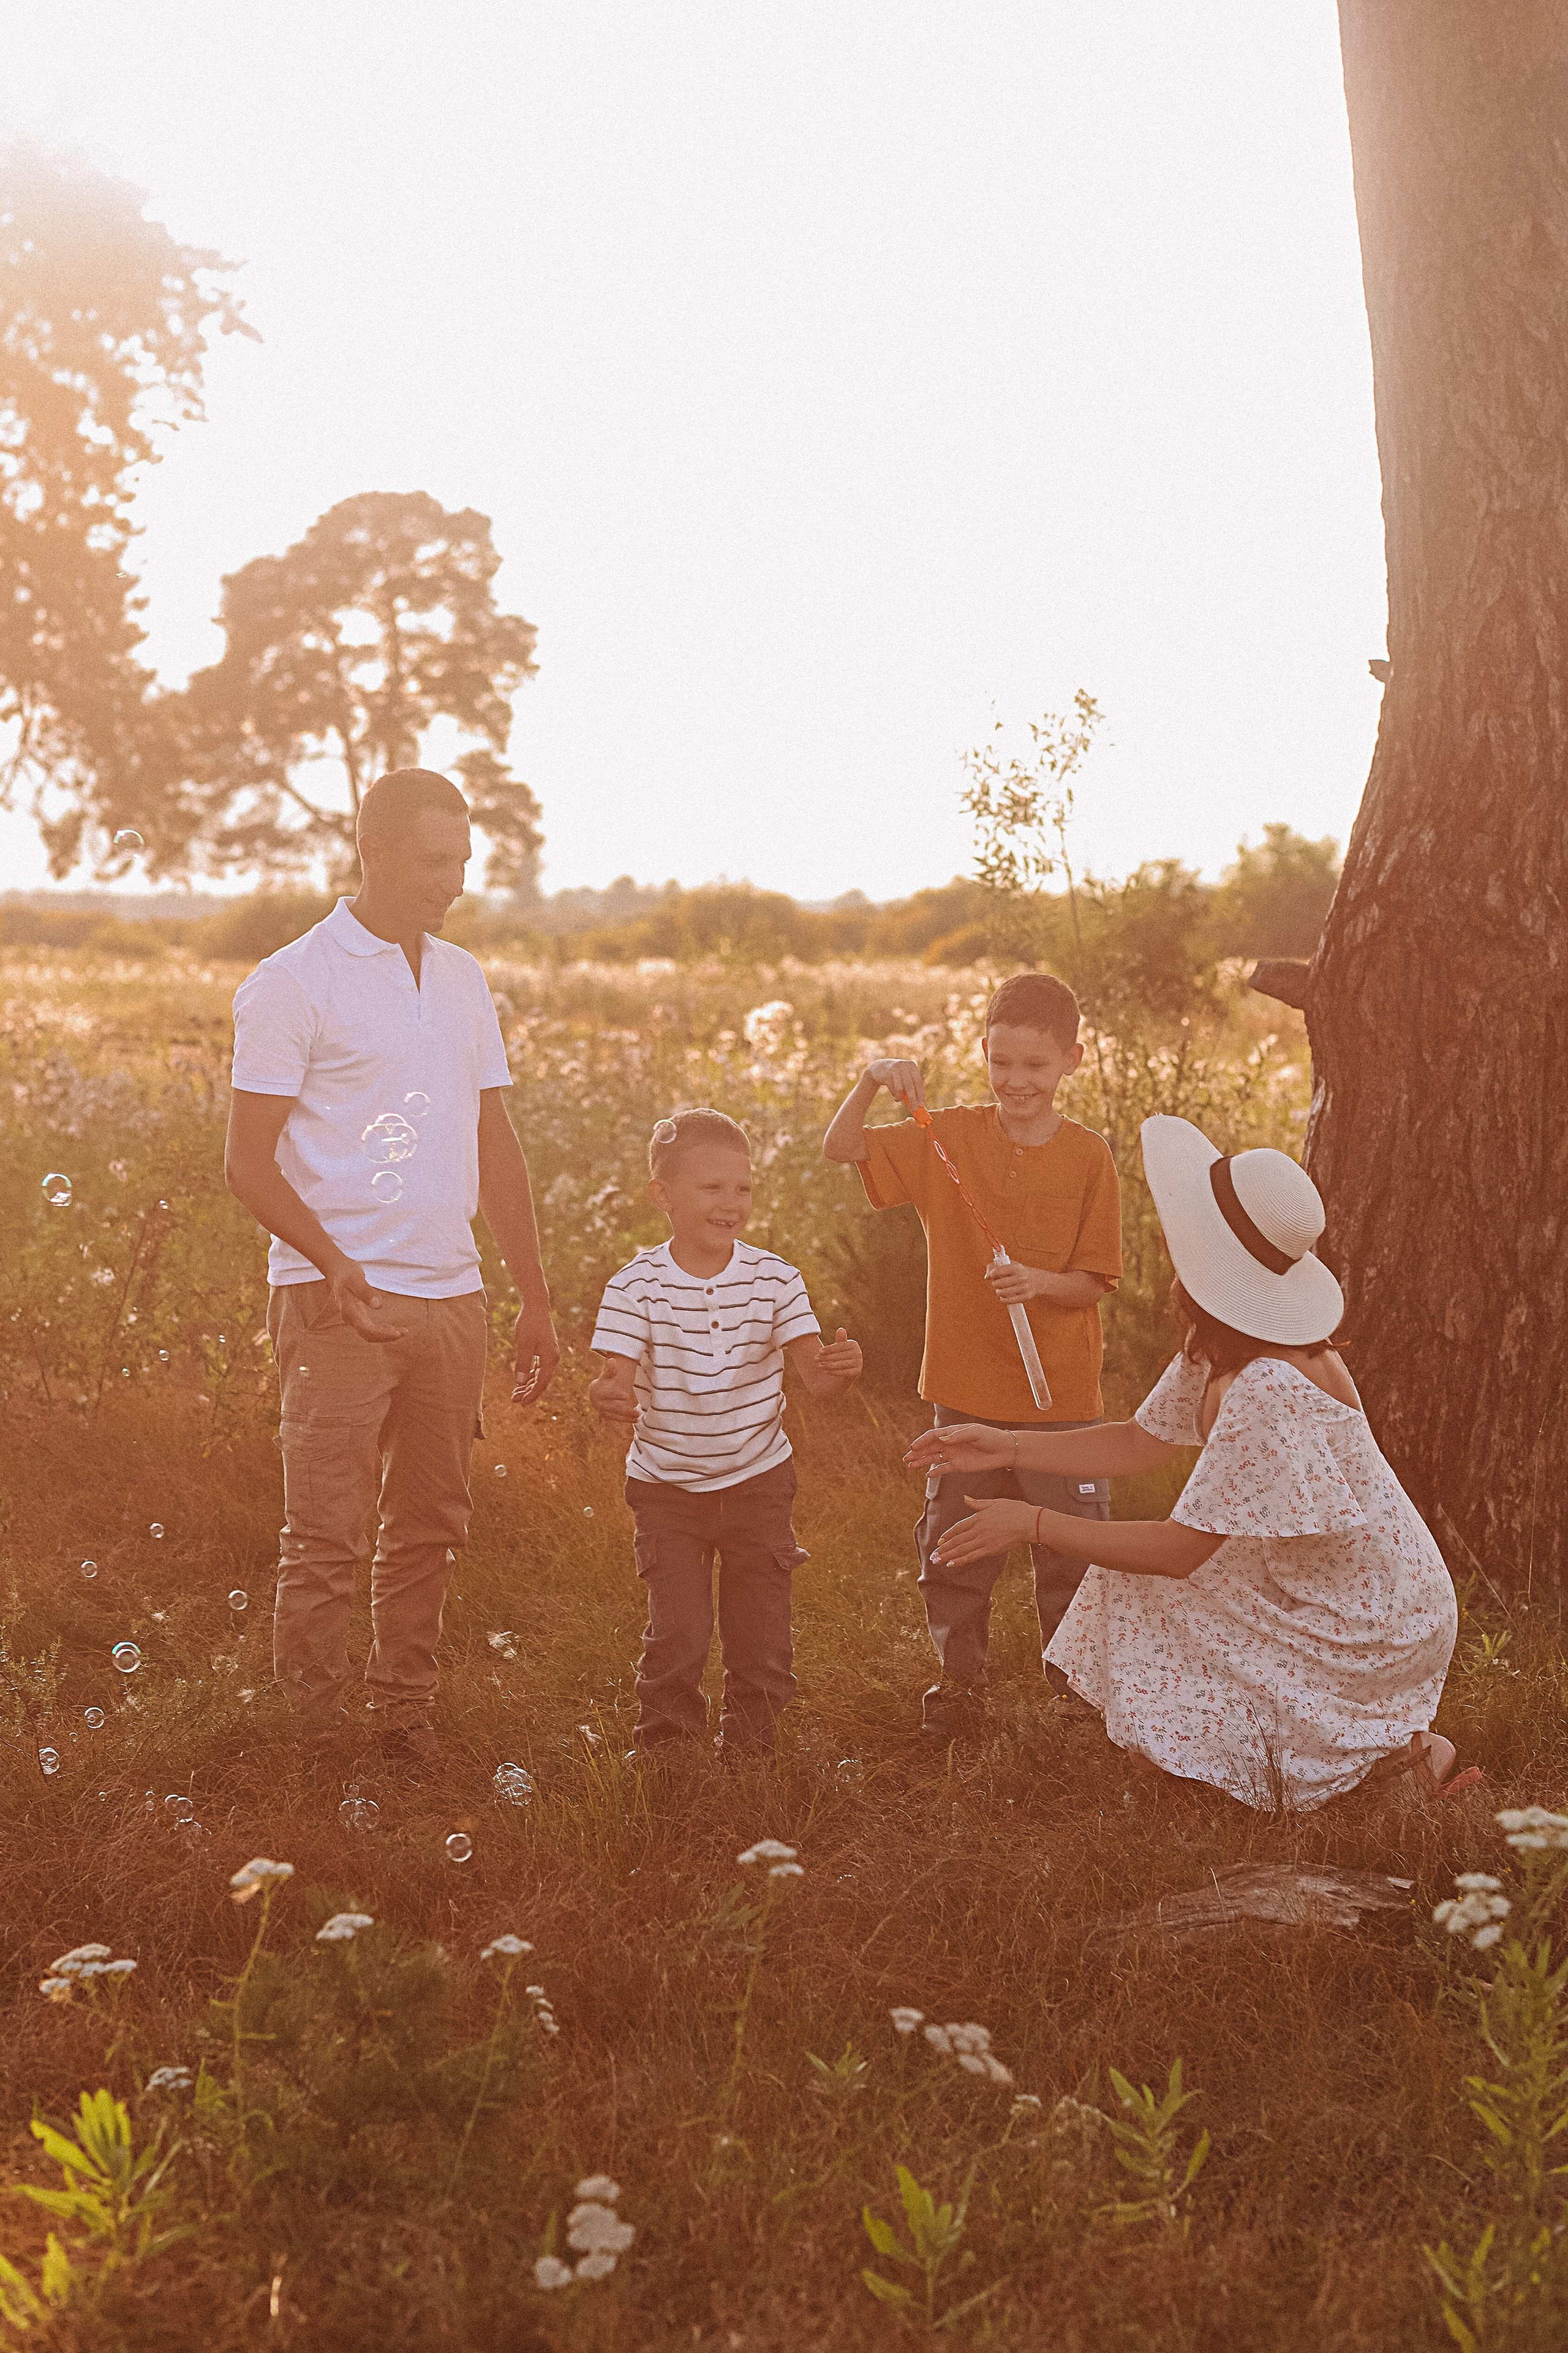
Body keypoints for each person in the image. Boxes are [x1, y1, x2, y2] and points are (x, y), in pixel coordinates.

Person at [905, 1115, 1461, 1811]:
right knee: (1129, 1583)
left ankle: (1378, 1764)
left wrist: (1032, 1521)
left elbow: (1178, 1552)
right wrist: (1008, 1444)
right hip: (1319, 1573)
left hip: (1373, 1611)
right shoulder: (1221, 1341)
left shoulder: (1267, 1385)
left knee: (1143, 1579)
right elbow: (1138, 1442)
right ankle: (1307, 1760)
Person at [224, 767, 559, 1768]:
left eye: (462, 860)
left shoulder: (461, 978)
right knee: (326, 1539)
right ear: (370, 851)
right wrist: (333, 1265)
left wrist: (532, 1298)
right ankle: (315, 1749)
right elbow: (246, 1163)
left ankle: (399, 1721)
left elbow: (496, 1141)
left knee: (430, 1528)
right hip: (337, 1305)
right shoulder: (290, 983)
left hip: (453, 1298)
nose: (451, 880)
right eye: (431, 860)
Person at [823, 971, 1123, 1738]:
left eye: (1035, 1065)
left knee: (1071, 1556)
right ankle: (959, 1686)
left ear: (1072, 1061)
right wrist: (869, 1080)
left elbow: (1093, 1282)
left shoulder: (1090, 1157)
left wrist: (1038, 1283)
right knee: (955, 1547)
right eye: (1001, 1063)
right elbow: (842, 1146)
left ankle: (1075, 1698)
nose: (1016, 1081)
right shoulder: (944, 1135)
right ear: (983, 1056)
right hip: (964, 1388)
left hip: (1062, 1402)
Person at [589, 1108, 863, 1758]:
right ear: (664, 1196)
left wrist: (841, 1370)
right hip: (666, 1489)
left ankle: (751, 1747)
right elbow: (614, 1377)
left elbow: (816, 1381)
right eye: (711, 1188)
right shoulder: (635, 1286)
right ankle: (666, 1749)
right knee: (678, 1631)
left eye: (742, 1188)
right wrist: (608, 1396)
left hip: (758, 1482)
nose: (730, 1203)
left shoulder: (775, 1278)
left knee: (760, 1630)